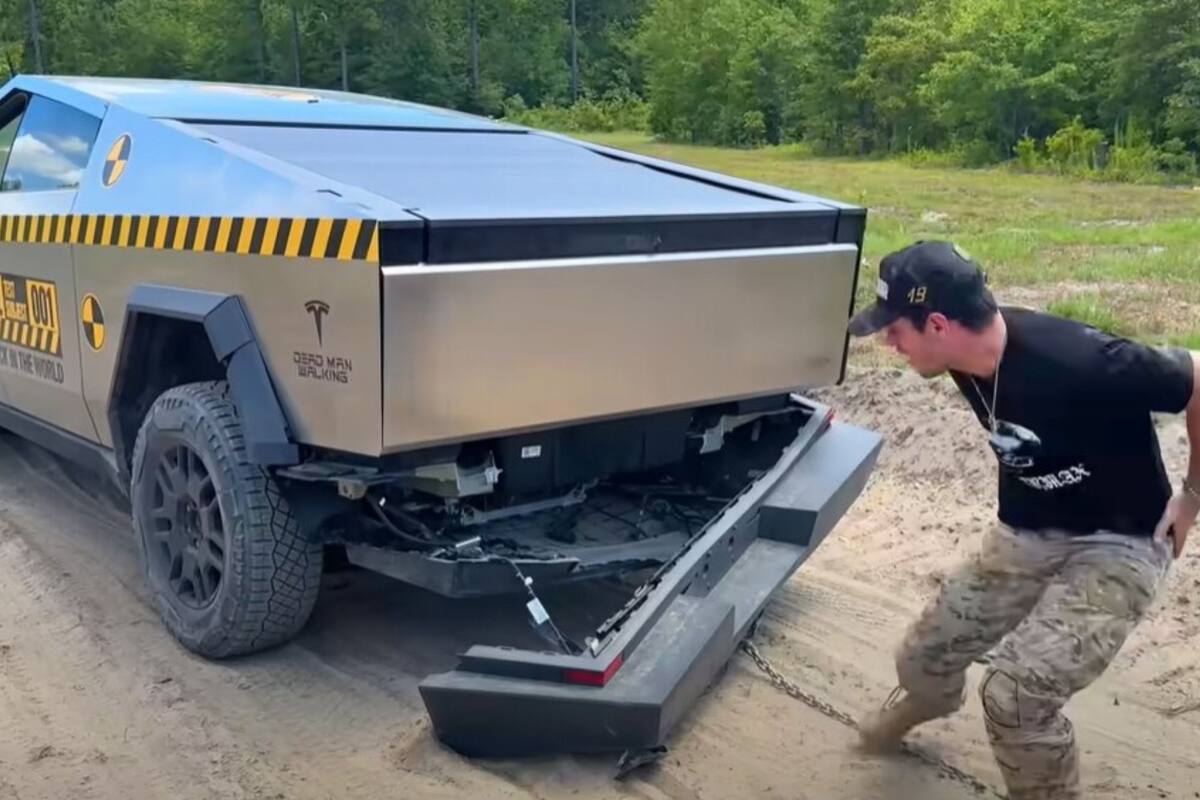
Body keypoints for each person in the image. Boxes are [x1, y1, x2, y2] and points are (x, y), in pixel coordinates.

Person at [845, 240, 1199, 800]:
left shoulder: (1080, 362)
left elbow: (1199, 376)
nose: (888, 342)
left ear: (937, 324)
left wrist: (1193, 494)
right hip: (1028, 532)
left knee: (1014, 697)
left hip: (1121, 541)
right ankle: (928, 701)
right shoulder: (960, 353)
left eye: (895, 330)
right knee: (922, 656)